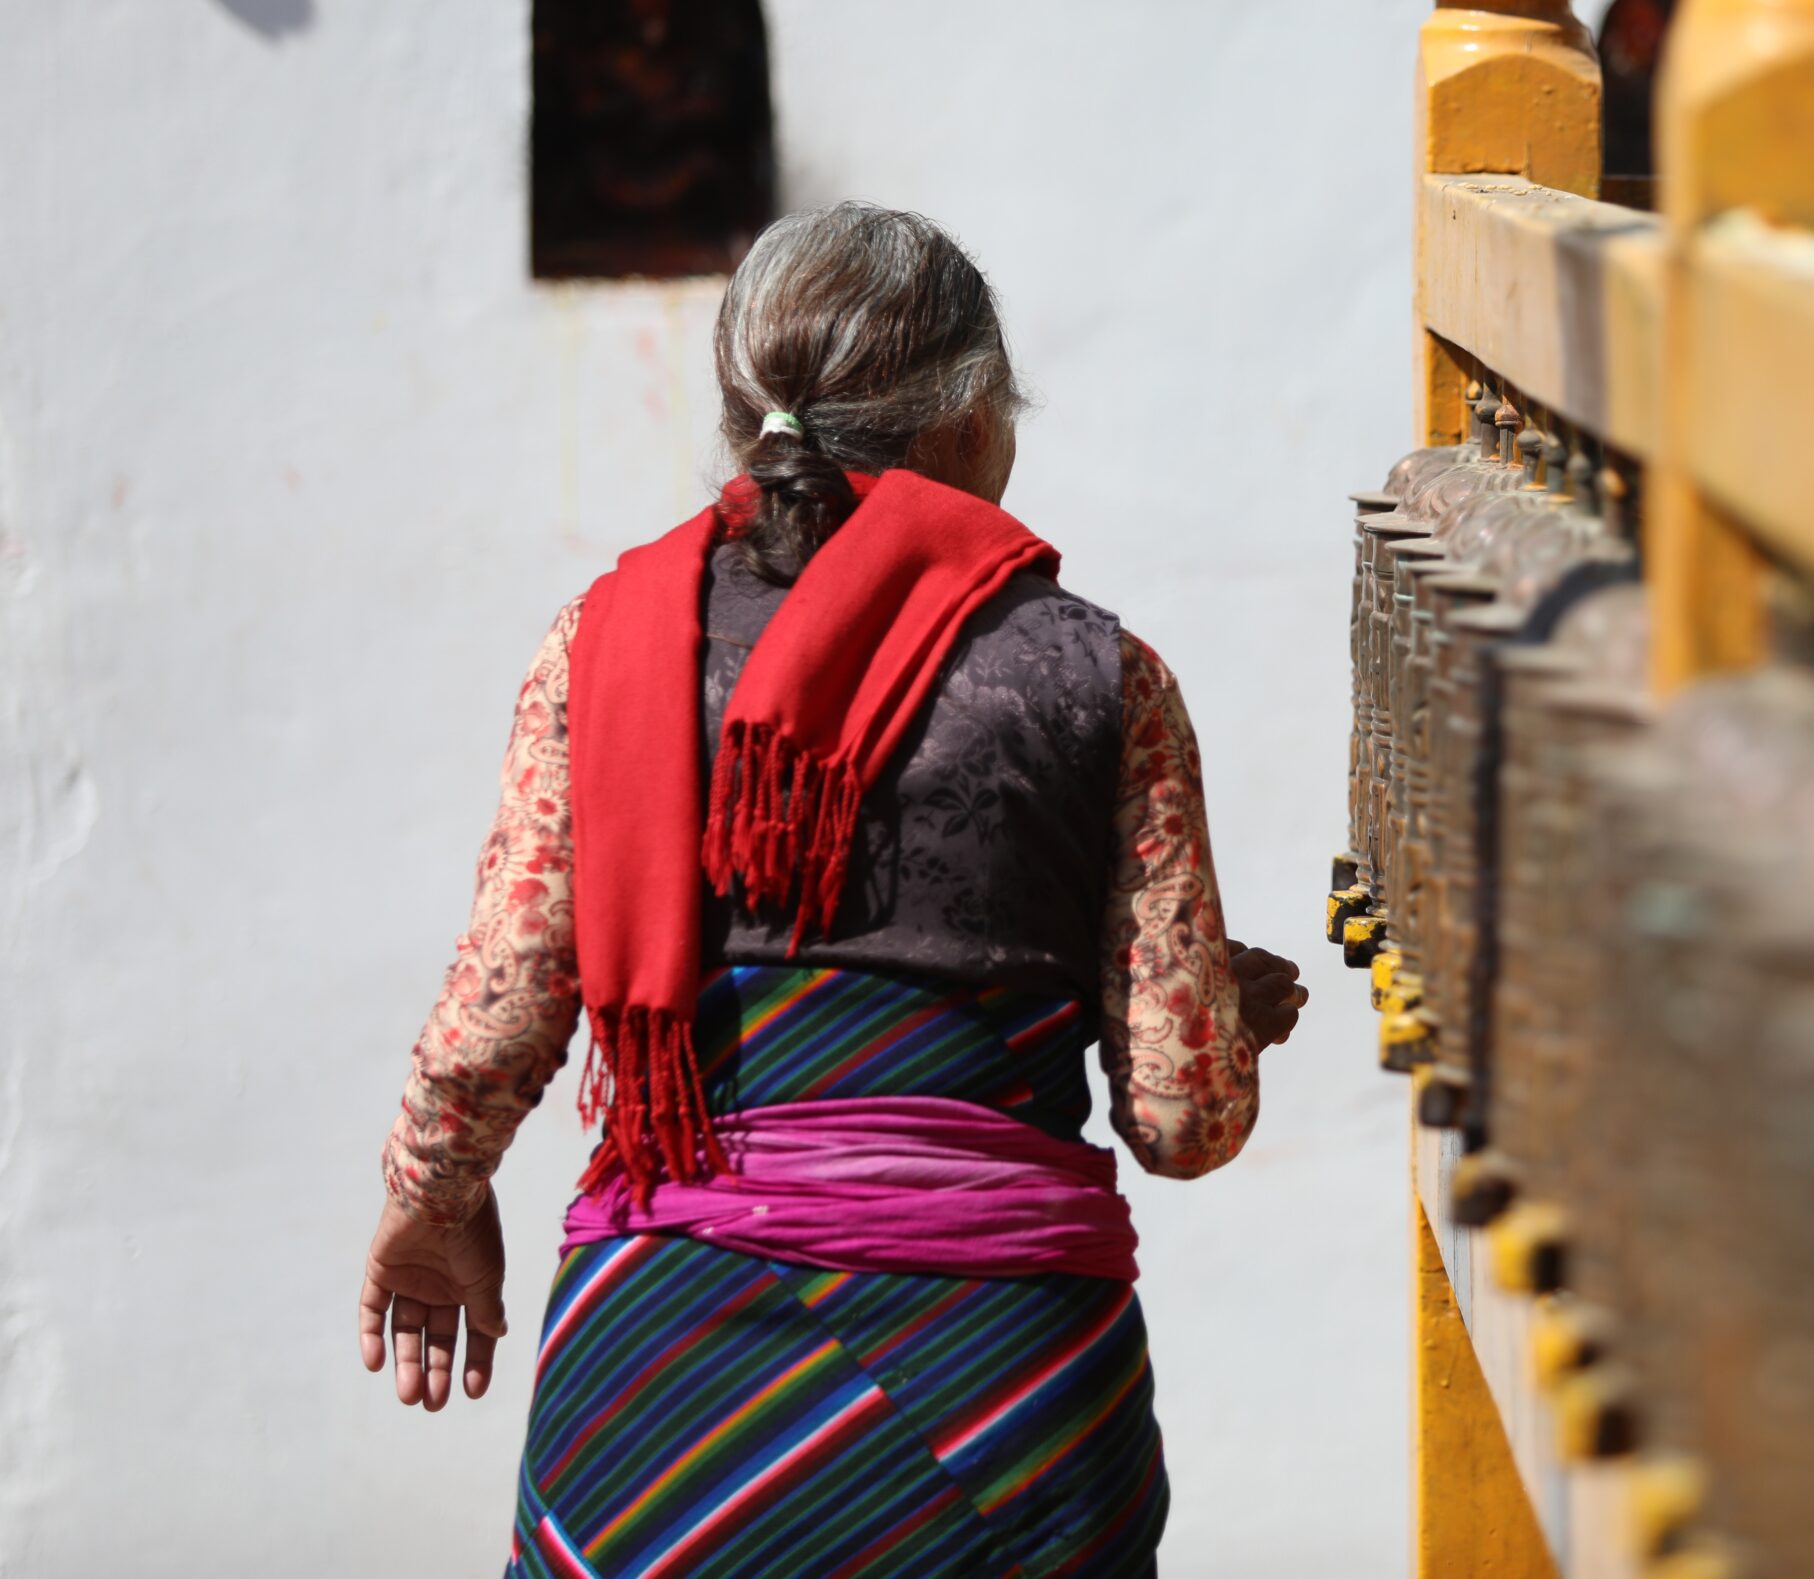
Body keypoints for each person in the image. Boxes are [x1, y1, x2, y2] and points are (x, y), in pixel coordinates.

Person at [354, 202, 1305, 1579]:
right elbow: (1184, 1114)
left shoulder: (605, 651)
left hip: (666, 1399)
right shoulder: (1105, 677)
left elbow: (500, 1013)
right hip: (1004, 1402)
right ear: (973, 420)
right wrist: (1214, 1007)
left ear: (749, 419)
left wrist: (426, 1202)